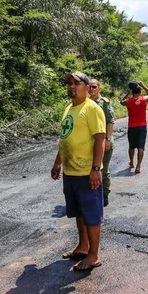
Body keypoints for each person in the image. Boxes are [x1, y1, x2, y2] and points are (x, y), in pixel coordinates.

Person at [51, 71, 106, 271]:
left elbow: (100, 140)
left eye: (77, 83)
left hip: (86, 171)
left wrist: (95, 169)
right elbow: (65, 137)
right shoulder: (69, 108)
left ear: (86, 87)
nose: (72, 86)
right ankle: (83, 247)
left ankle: (93, 255)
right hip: (71, 171)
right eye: (69, 84)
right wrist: (58, 162)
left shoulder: (92, 109)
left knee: (91, 214)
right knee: (79, 212)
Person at [89, 78, 116, 207]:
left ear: (99, 89)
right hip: (91, 143)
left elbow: (110, 122)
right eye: (90, 86)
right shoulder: (86, 102)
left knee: (103, 169)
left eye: (94, 87)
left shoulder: (104, 103)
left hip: (104, 141)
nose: (91, 89)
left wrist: (107, 139)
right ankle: (93, 193)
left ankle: (104, 195)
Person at [121, 81, 148, 174]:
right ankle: (138, 166)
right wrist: (143, 85)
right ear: (140, 91)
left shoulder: (128, 101)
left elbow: (121, 101)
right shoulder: (144, 99)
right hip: (142, 126)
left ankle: (131, 162)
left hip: (132, 126)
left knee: (131, 146)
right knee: (141, 147)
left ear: (132, 91)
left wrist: (128, 93)